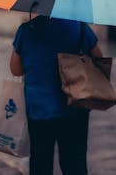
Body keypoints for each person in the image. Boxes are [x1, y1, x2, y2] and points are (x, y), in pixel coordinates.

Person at [10, 14, 103, 175]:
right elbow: (99, 59)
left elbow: (16, 70)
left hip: (39, 110)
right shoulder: (80, 28)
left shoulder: (26, 30)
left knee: (40, 163)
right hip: (75, 107)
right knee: (75, 164)